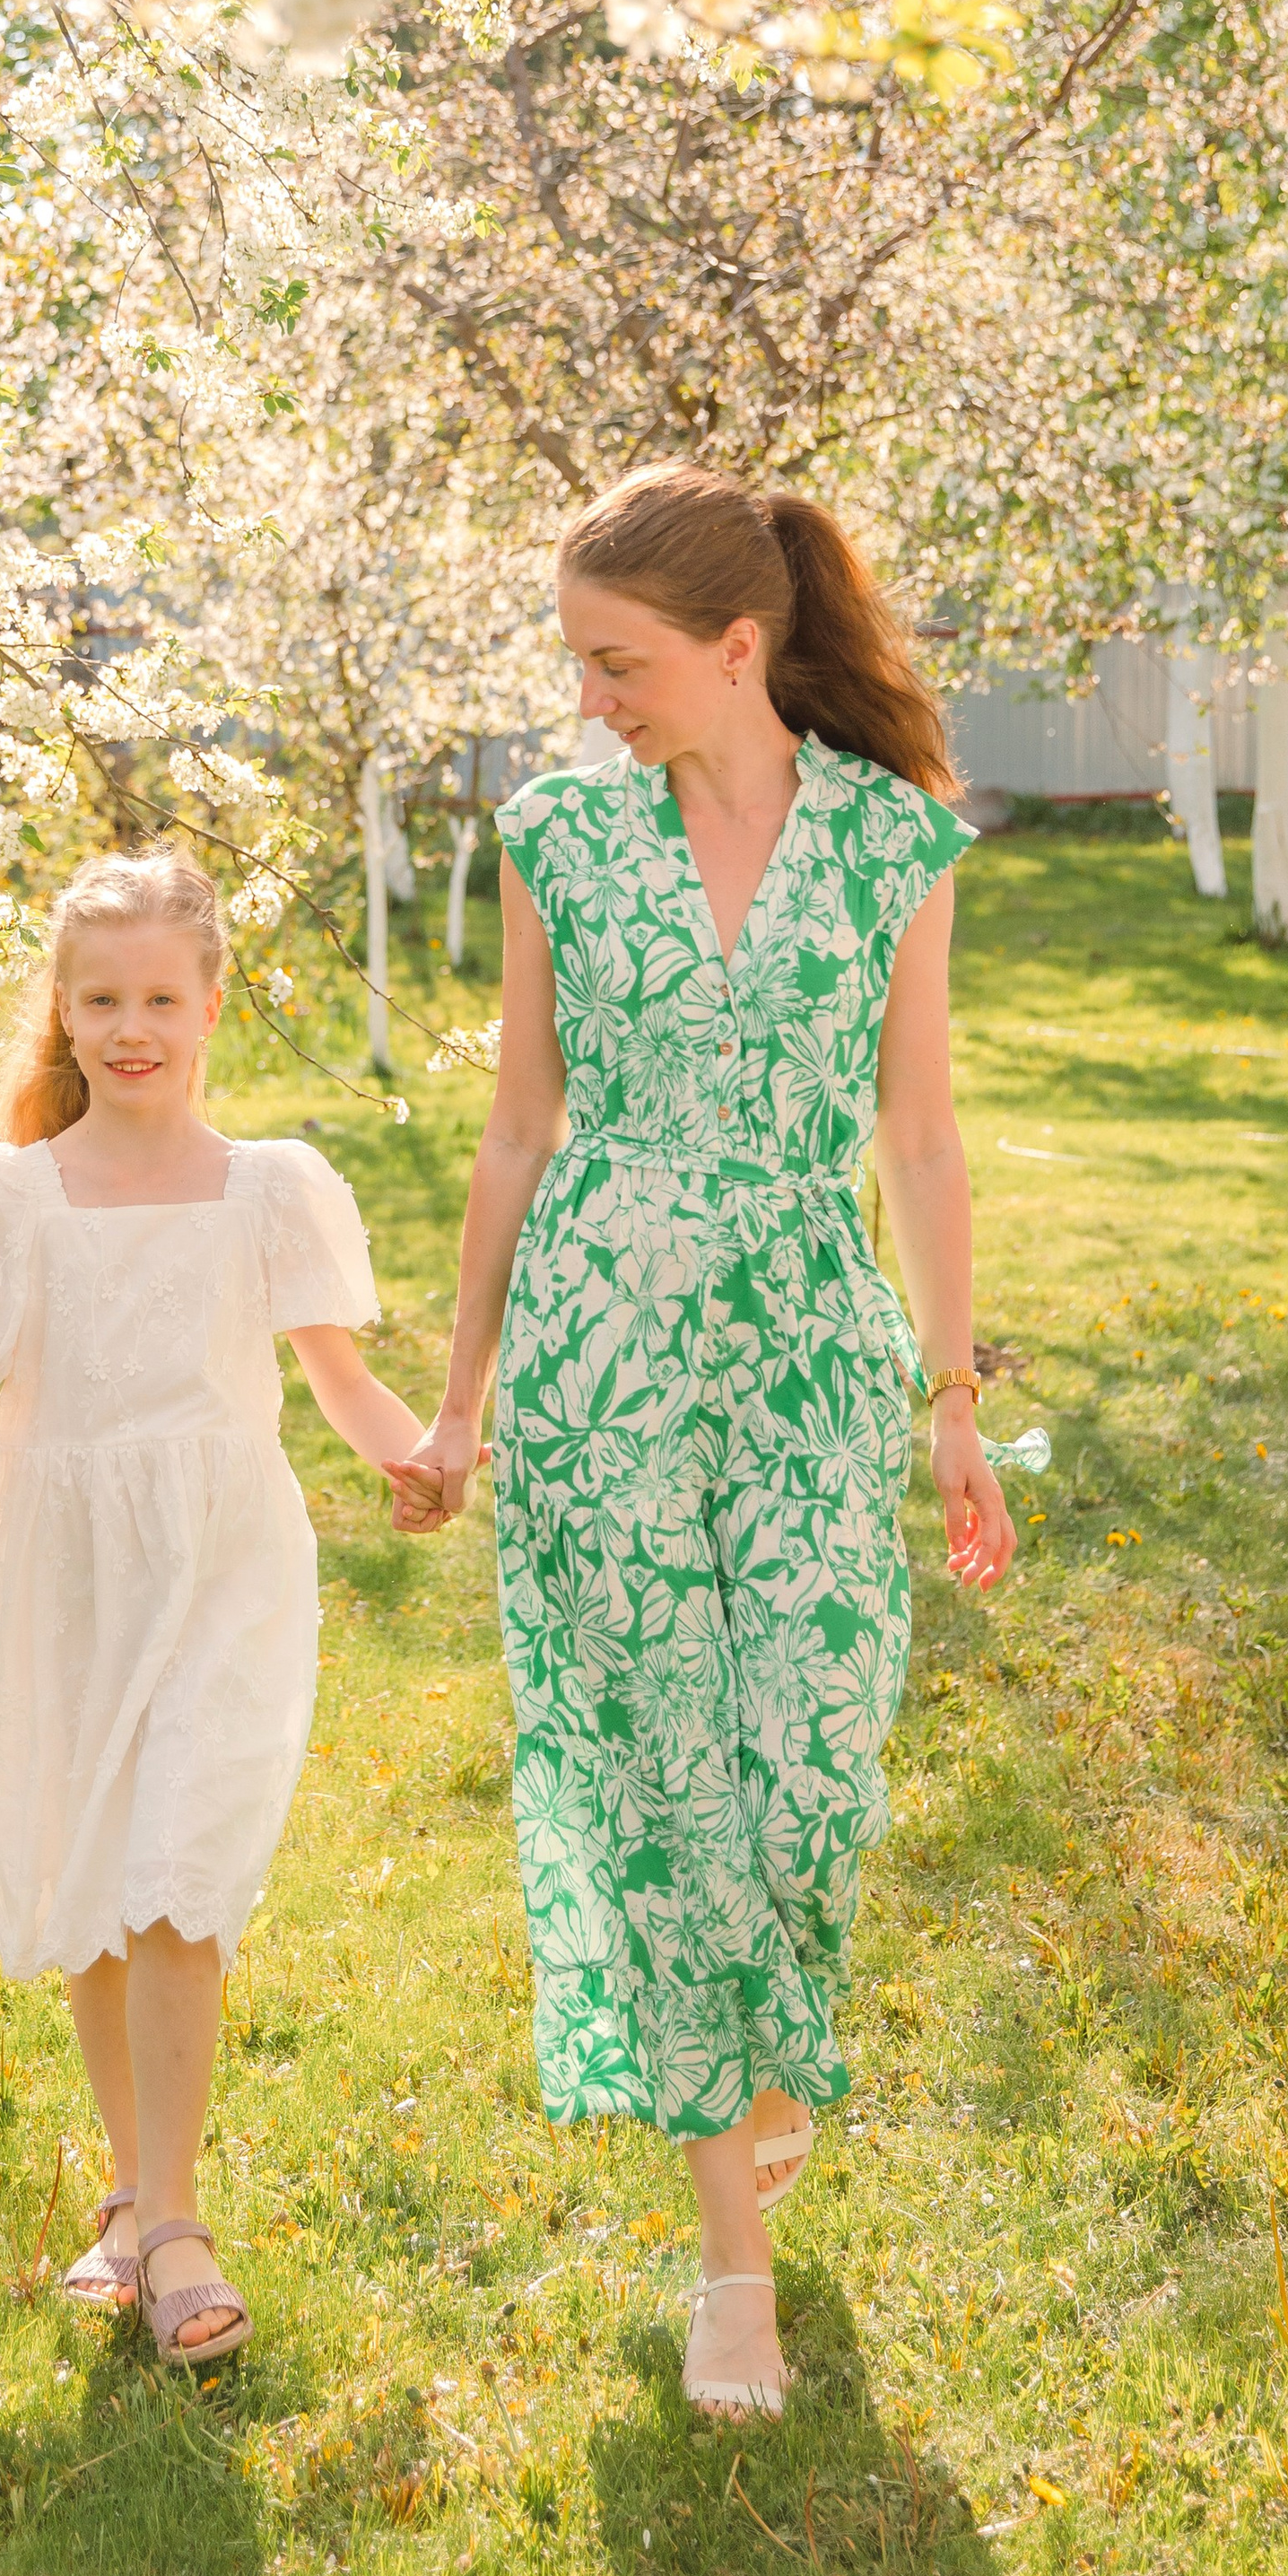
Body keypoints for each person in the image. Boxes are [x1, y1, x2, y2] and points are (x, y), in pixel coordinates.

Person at [387, 464, 1015, 2422]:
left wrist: (953, 1402)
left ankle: (758, 2060)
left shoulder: (892, 845)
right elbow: (515, 1129)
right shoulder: (558, 835)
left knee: (810, 1762)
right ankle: (726, 2266)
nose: (587, 698)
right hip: (600, 1353)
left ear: (734, 649)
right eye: (578, 662)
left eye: (616, 662)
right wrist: (461, 1390)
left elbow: (914, 1134)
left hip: (811, 1346)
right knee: (665, 1774)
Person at [0, 849, 427, 2364]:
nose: (133, 1028)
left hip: (219, 1566)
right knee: (97, 1886)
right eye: (103, 998)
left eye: (161, 1000)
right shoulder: (13, 1195)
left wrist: (423, 1455)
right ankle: (131, 2198)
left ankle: (176, 2223)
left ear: (210, 1004)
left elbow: (336, 1376)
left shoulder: (268, 1190)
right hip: (59, 1565)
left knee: (179, 1868)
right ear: (64, 1009)